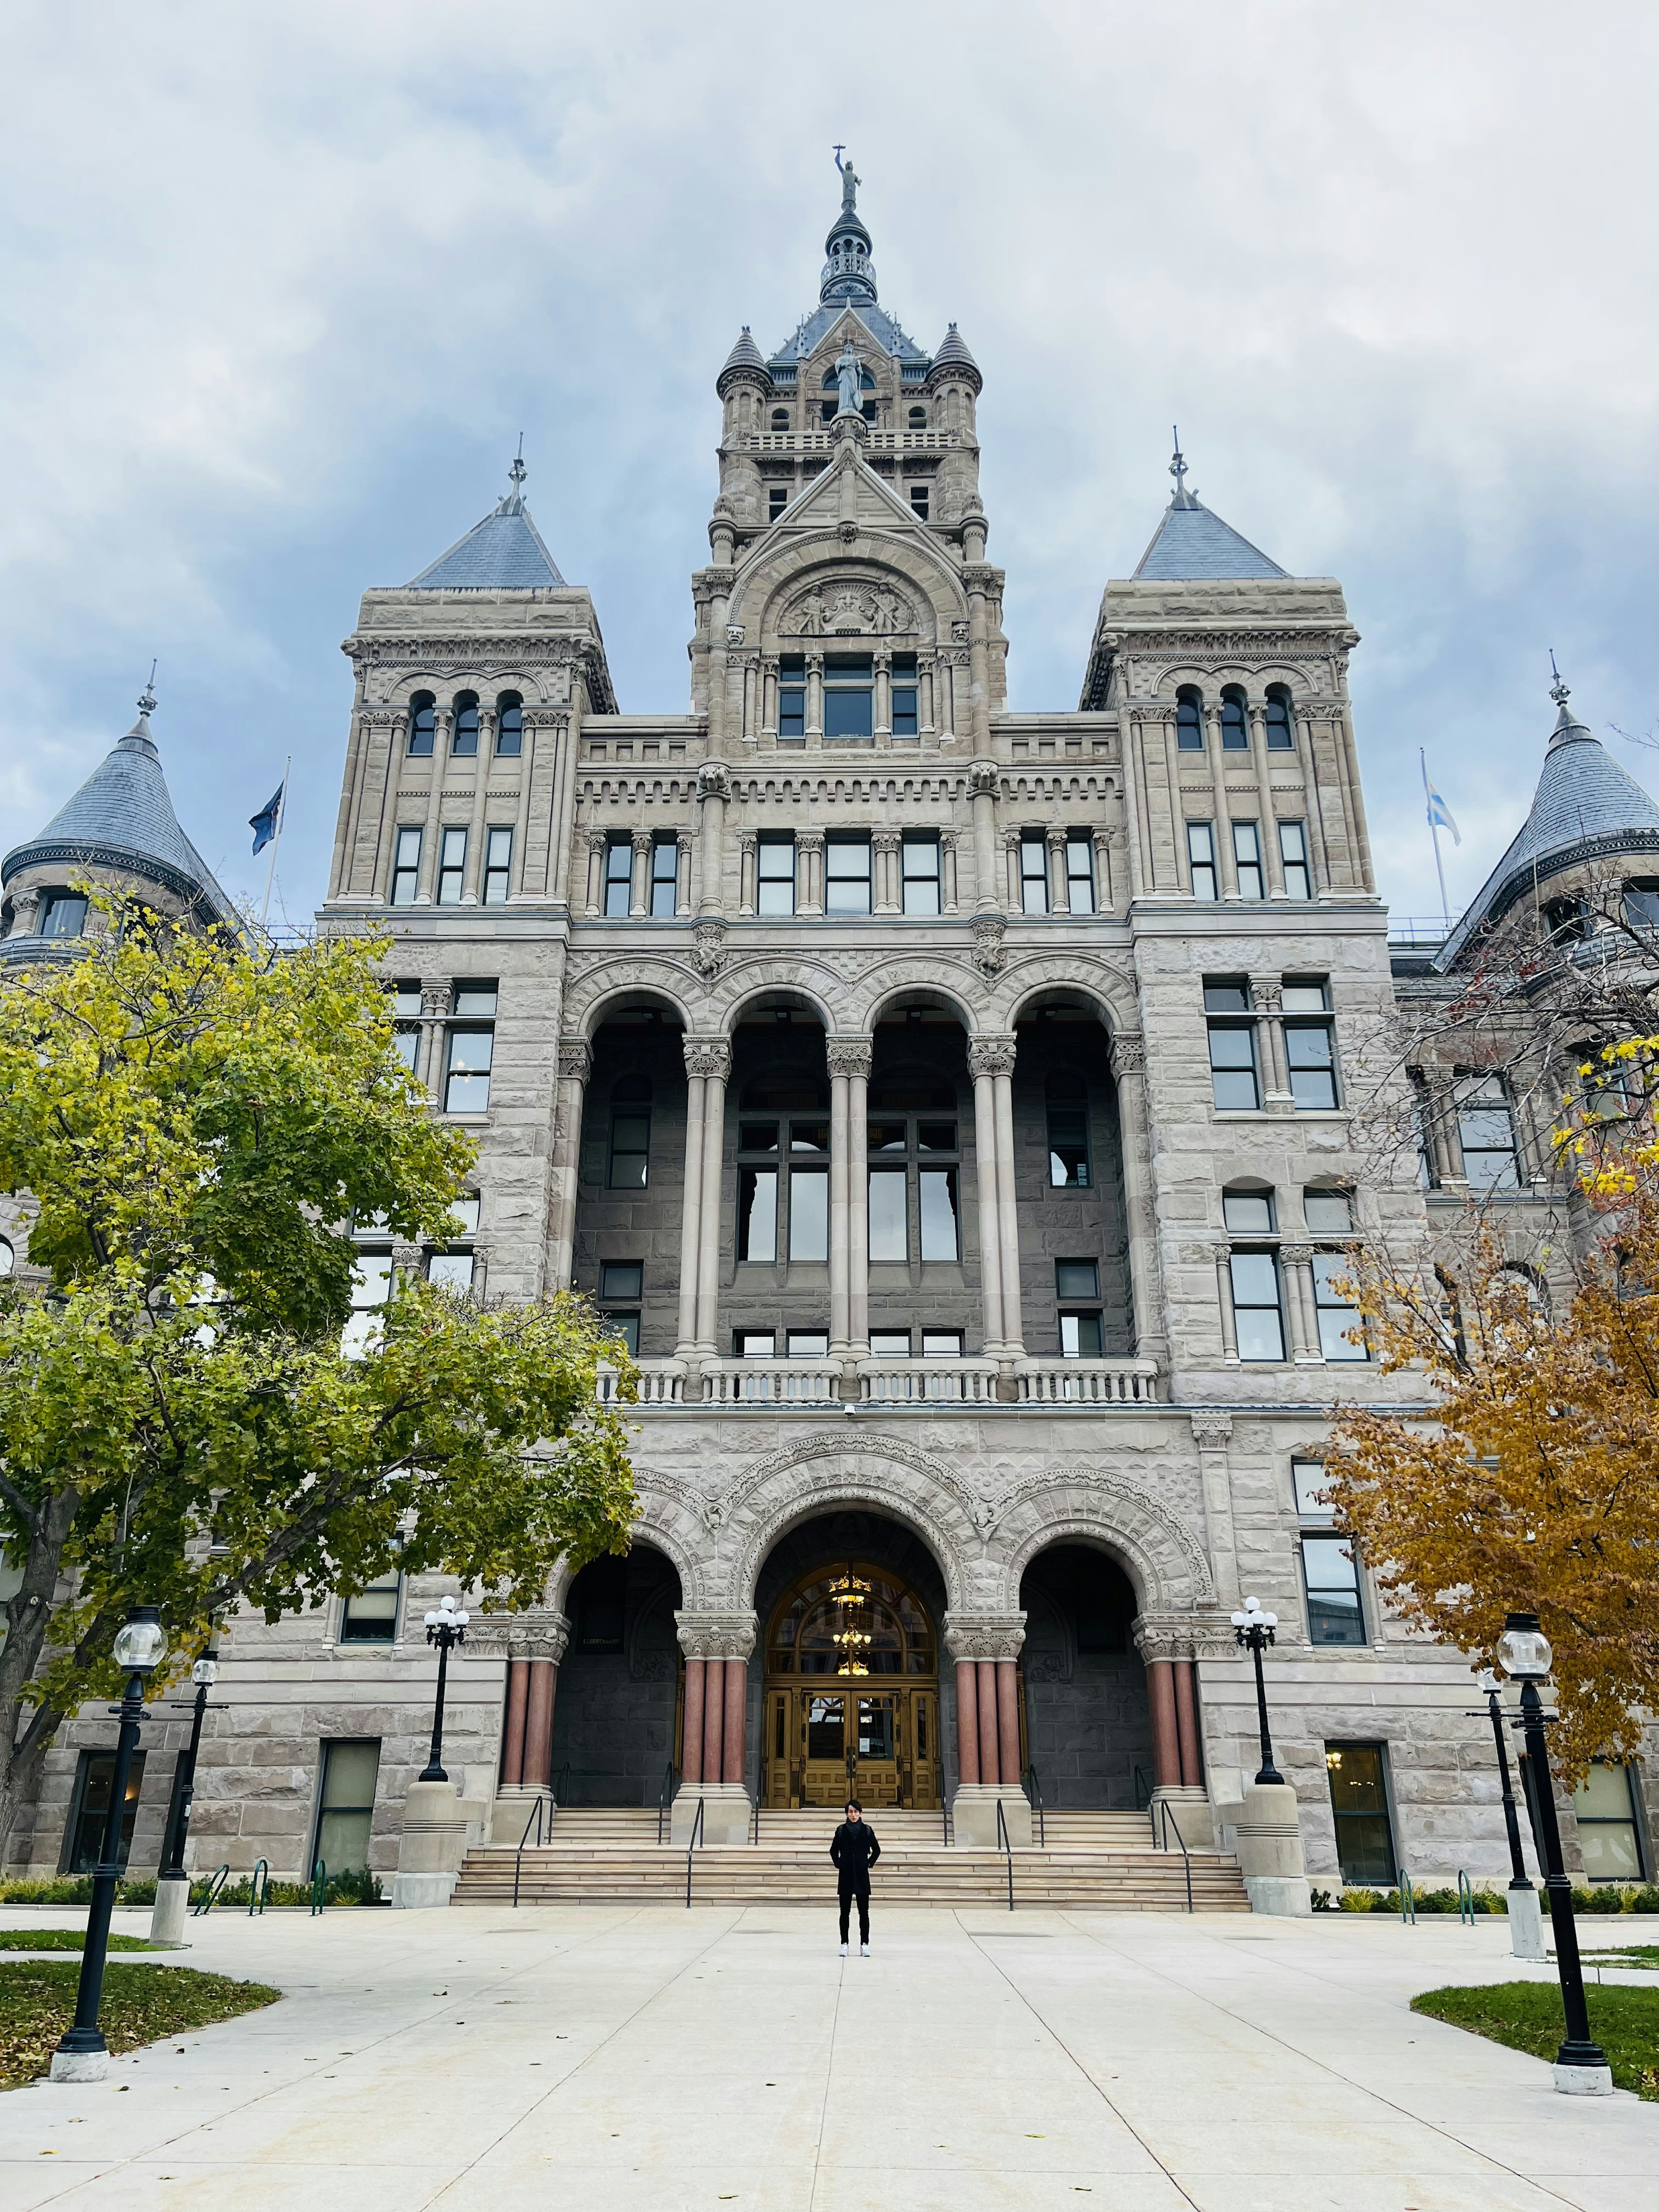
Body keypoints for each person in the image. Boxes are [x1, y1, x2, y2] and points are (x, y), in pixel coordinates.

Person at [830, 1798, 880, 1956]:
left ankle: (864, 1944)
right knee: (844, 1912)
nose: (853, 1815)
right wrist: (839, 1863)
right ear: (846, 1814)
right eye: (850, 1812)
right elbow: (833, 1851)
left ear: (860, 1813)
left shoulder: (867, 1830)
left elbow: (877, 1850)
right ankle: (844, 1943)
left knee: (863, 1912)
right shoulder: (840, 1830)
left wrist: (868, 1863)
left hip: (861, 1875)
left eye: (856, 1812)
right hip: (845, 1875)